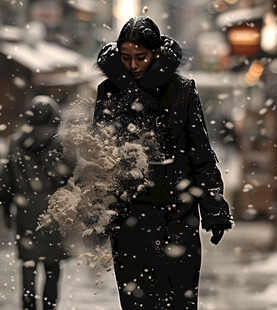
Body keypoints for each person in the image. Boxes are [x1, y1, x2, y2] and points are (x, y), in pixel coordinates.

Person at [94, 16, 234, 310]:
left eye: (141, 57)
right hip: (129, 217)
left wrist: (215, 208)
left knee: (179, 301)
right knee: (137, 302)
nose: (133, 65)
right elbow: (100, 158)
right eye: (126, 57)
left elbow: (201, 154)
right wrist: (98, 210)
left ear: (156, 53)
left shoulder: (182, 91)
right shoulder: (109, 91)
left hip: (177, 216)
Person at [0, 96, 74, 310]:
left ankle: (28, 305)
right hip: (53, 214)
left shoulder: (15, 143)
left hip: (26, 214)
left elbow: (5, 183)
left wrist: (7, 212)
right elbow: (72, 180)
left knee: (28, 266)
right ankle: (50, 307)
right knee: (52, 269)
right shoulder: (62, 144)